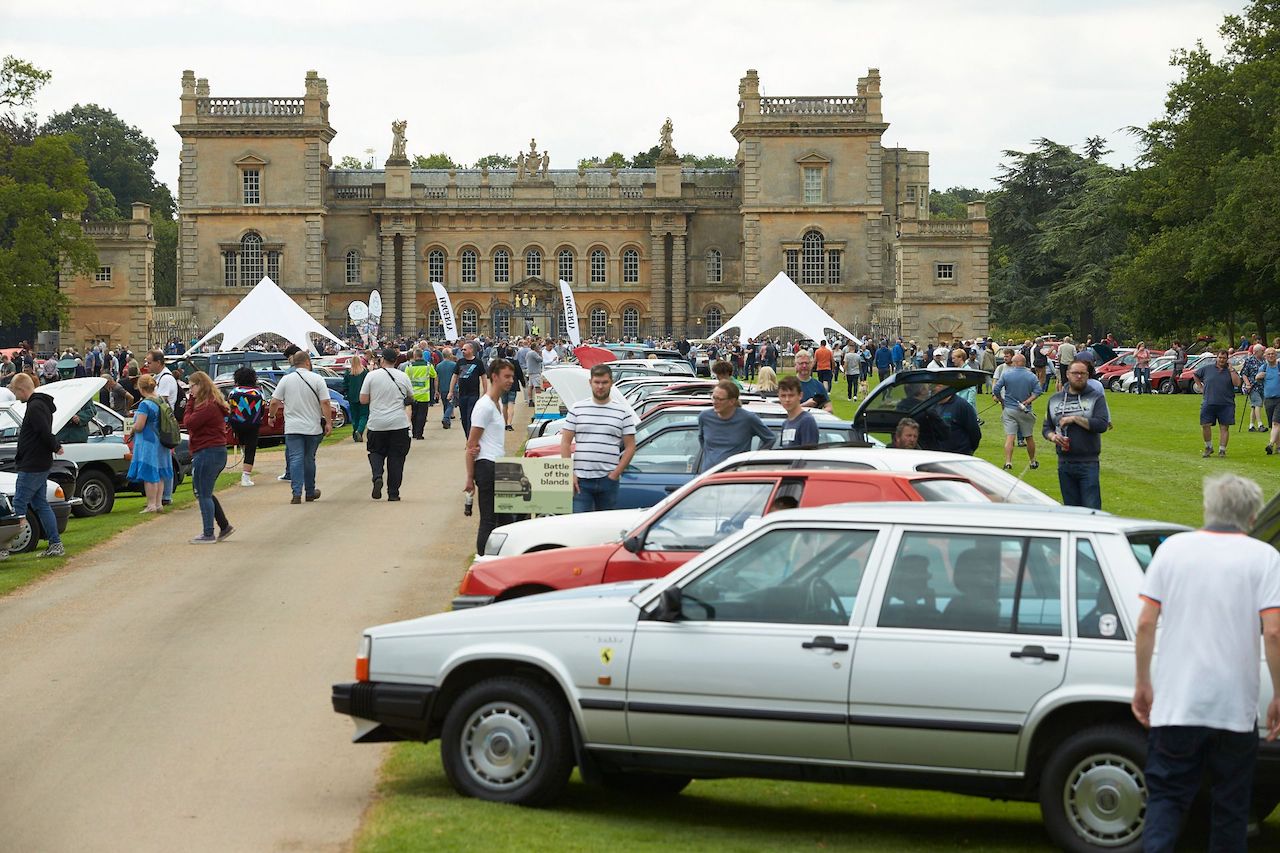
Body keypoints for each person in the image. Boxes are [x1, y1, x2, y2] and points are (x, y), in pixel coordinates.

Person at [1132, 473, 1280, 851]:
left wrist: (1143, 683)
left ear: (1208, 507)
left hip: (1178, 705)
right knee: (1231, 807)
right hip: (1233, 709)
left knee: (1166, 800)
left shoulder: (1173, 550)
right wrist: (1278, 694)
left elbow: (1146, 621)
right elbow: (1274, 632)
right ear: (1251, 516)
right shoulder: (1264, 557)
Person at [3, 373, 65, 558]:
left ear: (22, 389)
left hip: (33, 463)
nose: (15, 396)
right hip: (39, 461)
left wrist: (56, 445)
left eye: (15, 392)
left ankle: (4, 545)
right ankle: (55, 543)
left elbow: (43, 431)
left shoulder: (36, 406)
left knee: (18, 504)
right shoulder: (38, 404)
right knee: (40, 504)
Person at [560, 364, 637, 513]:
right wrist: (569, 473)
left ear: (611, 383)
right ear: (590, 383)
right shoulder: (577, 409)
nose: (600, 386)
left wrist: (616, 473)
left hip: (608, 480)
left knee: (605, 527)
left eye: (604, 382)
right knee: (579, 525)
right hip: (581, 481)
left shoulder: (622, 412)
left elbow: (631, 446)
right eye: (597, 382)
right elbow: (565, 442)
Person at [1042, 359, 1110, 509]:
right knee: (1071, 510)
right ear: (1067, 374)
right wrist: (1054, 437)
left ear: (1088, 375)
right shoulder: (1055, 400)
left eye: (1083, 373)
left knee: (1091, 509)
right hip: (1064, 463)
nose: (1079, 377)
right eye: (1075, 373)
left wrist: (1075, 419)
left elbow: (1101, 424)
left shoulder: (1096, 397)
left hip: (1088, 462)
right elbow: (1046, 428)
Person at [464, 359, 515, 554]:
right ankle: (483, 558)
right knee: (488, 519)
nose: (510, 380)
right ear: (494, 377)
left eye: (511, 376)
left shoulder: (497, 403)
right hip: (486, 465)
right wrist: (470, 478)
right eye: (507, 377)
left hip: (498, 465)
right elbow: (471, 444)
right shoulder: (484, 406)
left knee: (505, 519)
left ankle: (499, 557)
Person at [268, 350, 332, 505]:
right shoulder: (317, 378)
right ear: (308, 362)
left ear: (294, 363)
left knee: (295, 458)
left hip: (293, 426)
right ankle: (310, 491)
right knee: (309, 459)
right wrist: (329, 422)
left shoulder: (286, 380)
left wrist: (272, 416)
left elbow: (275, 401)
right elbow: (325, 402)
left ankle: (296, 493)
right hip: (312, 425)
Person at [183, 372, 234, 544]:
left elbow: (189, 423)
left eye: (192, 386)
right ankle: (224, 525)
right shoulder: (211, 403)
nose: (190, 391)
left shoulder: (207, 406)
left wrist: (189, 403)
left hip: (208, 451)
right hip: (211, 450)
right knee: (205, 492)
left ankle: (208, 532)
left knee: (203, 493)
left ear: (201, 385)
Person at [361, 347, 413, 501]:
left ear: (382, 360)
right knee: (396, 458)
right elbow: (411, 397)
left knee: (376, 452)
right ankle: (393, 493)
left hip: (377, 422)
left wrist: (376, 399)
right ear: (396, 361)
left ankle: (377, 475)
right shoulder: (403, 376)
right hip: (398, 422)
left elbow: (363, 399)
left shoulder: (371, 376)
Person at [697, 381, 776, 472]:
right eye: (713, 398)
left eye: (720, 399)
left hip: (735, 477)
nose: (715, 402)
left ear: (732, 401)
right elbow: (701, 439)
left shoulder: (748, 418)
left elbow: (770, 438)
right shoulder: (704, 417)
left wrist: (753, 458)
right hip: (709, 475)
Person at [126, 374, 173, 515]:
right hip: (161, 441)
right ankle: (158, 503)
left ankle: (151, 504)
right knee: (159, 473)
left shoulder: (145, 404)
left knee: (149, 474)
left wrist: (132, 428)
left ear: (141, 388)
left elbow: (140, 426)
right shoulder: (161, 400)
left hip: (148, 442)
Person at [992, 354, 1040, 471]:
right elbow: (1038, 391)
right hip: (1025, 409)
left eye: (1013, 362)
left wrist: (1001, 400)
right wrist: (1028, 401)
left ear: (1017, 362)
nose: (1011, 364)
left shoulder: (1007, 374)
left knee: (1010, 436)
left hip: (1009, 409)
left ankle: (1008, 462)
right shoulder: (1031, 376)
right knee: (1028, 436)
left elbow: (996, 389)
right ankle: (1032, 461)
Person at [1194, 349, 1242, 458]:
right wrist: (1200, 387)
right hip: (1209, 401)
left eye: (1224, 358)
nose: (1221, 360)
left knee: (1224, 427)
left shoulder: (1230, 370)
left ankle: (1222, 450)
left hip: (1226, 403)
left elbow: (1237, 383)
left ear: (1227, 359)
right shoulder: (1207, 369)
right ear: (1217, 357)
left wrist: (1231, 370)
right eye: (1220, 357)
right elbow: (1195, 375)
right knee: (1205, 425)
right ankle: (1208, 447)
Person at [146, 350, 179, 507]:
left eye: (149, 362)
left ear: (158, 362)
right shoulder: (158, 378)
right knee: (161, 459)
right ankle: (163, 496)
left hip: (163, 424)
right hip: (159, 423)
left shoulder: (165, 379)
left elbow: (161, 401)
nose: (147, 365)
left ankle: (166, 496)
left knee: (164, 460)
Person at [226, 366, 264, 487]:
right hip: (253, 424)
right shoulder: (258, 393)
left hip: (237, 423)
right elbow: (261, 410)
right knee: (251, 449)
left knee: (242, 443)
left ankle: (243, 453)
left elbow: (229, 408)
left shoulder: (233, 393)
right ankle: (246, 476)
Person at [450, 342, 487, 437]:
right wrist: (450, 391)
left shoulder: (478, 363)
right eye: (462, 349)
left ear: (471, 350)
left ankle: (471, 439)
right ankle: (468, 437)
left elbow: (483, 377)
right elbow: (454, 376)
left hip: (473, 394)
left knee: (470, 416)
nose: (462, 351)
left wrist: (485, 392)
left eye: (465, 349)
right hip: (462, 394)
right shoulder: (460, 362)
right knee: (464, 418)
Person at [935, 390, 981, 455]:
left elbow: (974, 432)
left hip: (959, 455)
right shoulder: (931, 405)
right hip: (937, 455)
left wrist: (968, 450)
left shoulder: (962, 406)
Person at [403, 348, 436, 440]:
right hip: (424, 395)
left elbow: (405, 380)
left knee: (414, 414)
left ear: (414, 356)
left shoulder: (409, 367)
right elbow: (434, 376)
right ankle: (419, 433)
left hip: (413, 395)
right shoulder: (428, 366)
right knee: (422, 415)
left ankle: (414, 432)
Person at [777, 376, 818, 449]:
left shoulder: (807, 421)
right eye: (783, 396)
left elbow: (808, 454)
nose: (787, 399)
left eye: (791, 395)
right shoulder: (785, 424)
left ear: (800, 395)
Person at [343, 355, 369, 442]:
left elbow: (344, 386)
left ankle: (355, 431)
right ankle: (360, 430)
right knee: (364, 415)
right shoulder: (365, 372)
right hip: (363, 396)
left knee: (355, 416)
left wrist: (346, 394)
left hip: (352, 397)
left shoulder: (348, 373)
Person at [1243, 344, 1266, 431]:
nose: (1263, 352)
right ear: (1256, 352)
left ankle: (1251, 426)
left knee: (1254, 406)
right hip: (1252, 386)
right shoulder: (1249, 360)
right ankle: (1260, 425)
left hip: (1262, 386)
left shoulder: (1264, 361)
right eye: (1262, 351)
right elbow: (1244, 374)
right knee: (1258, 403)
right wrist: (1248, 384)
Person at [1261, 348, 1280, 455]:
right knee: (1275, 425)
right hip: (1268, 399)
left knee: (1276, 422)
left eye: (1273, 354)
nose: (1271, 356)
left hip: (1279, 398)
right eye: (1269, 354)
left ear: (1276, 355)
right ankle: (1278, 447)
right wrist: (1258, 376)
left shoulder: (1279, 367)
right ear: (1265, 356)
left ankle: (1270, 444)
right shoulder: (1263, 367)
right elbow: (1257, 377)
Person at [435, 347, 458, 429]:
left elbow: (436, 379)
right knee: (450, 405)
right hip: (452, 388)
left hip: (442, 388)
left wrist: (436, 390)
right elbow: (457, 377)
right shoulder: (454, 365)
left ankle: (447, 422)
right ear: (450, 355)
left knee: (445, 405)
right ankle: (446, 418)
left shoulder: (438, 366)